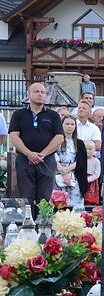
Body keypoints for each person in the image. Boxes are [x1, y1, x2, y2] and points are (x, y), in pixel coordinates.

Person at [8, 82, 64, 210]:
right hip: (24, 160)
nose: (40, 94)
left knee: (44, 199)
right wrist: (29, 153)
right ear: (28, 95)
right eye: (36, 91)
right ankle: (28, 227)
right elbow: (14, 136)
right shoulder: (19, 114)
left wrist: (42, 154)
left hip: (46, 161)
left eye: (42, 92)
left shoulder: (53, 115)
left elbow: (59, 137)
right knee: (26, 199)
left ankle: (43, 227)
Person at [53, 114, 88, 208]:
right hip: (57, 176)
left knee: (75, 206)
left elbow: (81, 161)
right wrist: (63, 172)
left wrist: (67, 170)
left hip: (73, 177)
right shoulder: (56, 141)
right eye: (67, 124)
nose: (70, 126)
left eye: (72, 124)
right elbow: (52, 156)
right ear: (62, 125)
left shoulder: (79, 143)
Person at [84, 141, 101, 205]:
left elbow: (97, 174)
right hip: (83, 180)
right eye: (86, 149)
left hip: (92, 182)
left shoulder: (96, 161)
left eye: (90, 149)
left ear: (94, 150)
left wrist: (88, 179)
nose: (88, 151)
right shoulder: (81, 160)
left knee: (90, 199)